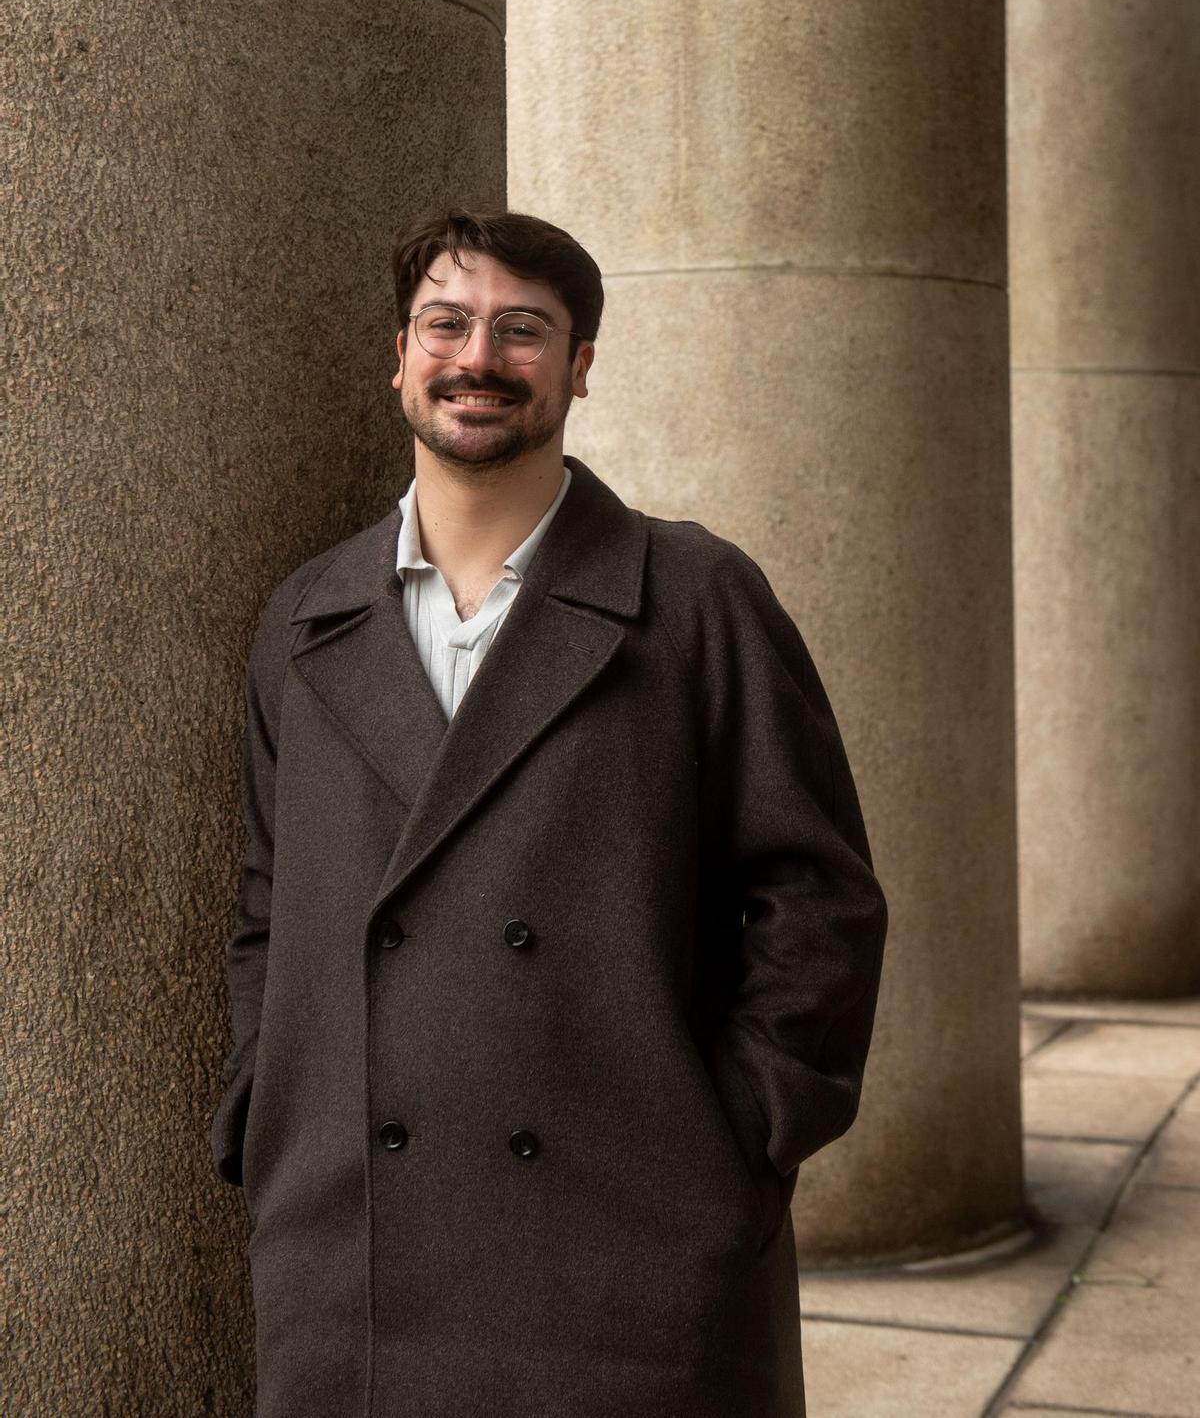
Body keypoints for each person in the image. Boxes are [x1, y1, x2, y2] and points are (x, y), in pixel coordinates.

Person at [211, 205, 887, 1418]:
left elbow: (818, 901)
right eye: (446, 324)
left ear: (579, 366)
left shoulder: (696, 598)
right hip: (353, 1245)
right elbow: (272, 902)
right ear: (399, 356)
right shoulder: (306, 619)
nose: (478, 357)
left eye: (522, 330)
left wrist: (737, 1136)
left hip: (630, 1243)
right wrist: (266, 1113)